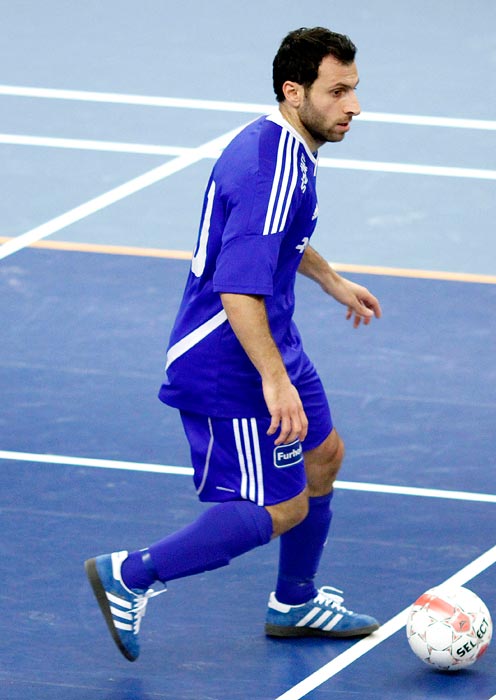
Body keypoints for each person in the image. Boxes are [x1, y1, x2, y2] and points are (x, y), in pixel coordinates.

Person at [85, 26, 382, 662]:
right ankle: (129, 574)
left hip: (273, 338)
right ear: (293, 90)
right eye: (339, 91)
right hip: (231, 359)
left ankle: (295, 603)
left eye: (354, 89)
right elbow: (237, 287)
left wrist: (329, 278)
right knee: (283, 508)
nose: (354, 105)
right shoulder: (268, 167)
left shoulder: (288, 146)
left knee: (323, 454)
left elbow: (276, 239)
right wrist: (275, 382)